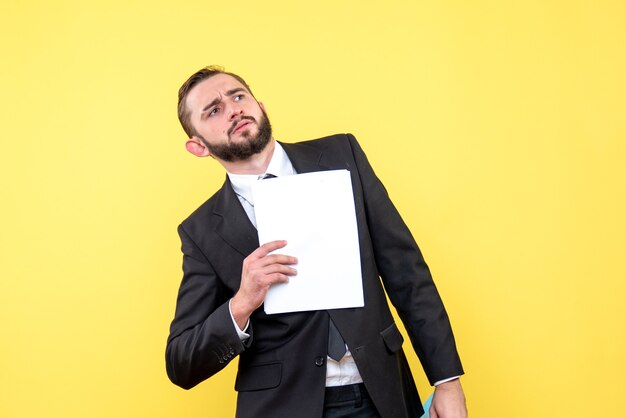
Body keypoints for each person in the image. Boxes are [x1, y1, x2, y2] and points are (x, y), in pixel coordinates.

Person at [166, 66, 467, 418]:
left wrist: (447, 381)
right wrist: (241, 304)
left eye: (238, 96)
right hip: (281, 408)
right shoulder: (201, 231)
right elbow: (181, 362)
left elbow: (406, 273)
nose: (233, 109)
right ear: (198, 146)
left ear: (259, 106)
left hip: (381, 393)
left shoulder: (343, 156)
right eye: (213, 110)